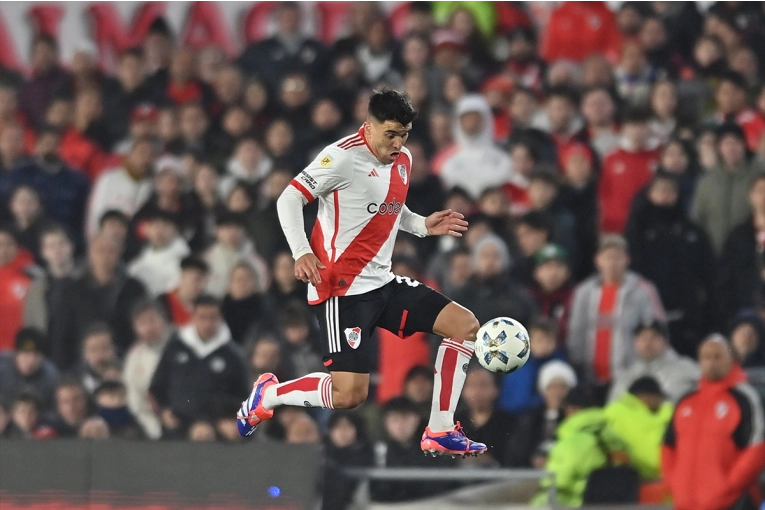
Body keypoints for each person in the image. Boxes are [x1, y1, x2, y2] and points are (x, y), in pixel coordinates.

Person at [237, 89, 488, 458]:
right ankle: (269, 394)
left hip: (383, 282)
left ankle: (440, 428)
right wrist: (301, 251)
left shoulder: (404, 158)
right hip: (343, 291)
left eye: (404, 134)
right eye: (391, 134)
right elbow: (288, 198)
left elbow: (387, 206)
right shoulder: (340, 158)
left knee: (465, 326)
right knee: (349, 396)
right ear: (369, 126)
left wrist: (421, 225)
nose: (399, 143)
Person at [662, 335, 765, 510]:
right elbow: (668, 446)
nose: (712, 362)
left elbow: (757, 448)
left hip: (732, 503)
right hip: (686, 503)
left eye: (718, 356)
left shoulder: (745, 398)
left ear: (731, 360)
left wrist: (729, 485)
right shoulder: (686, 400)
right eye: (706, 357)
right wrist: (676, 483)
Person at [625, 173, 716, 355]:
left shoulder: (692, 230)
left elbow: (707, 271)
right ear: (649, 193)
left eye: (670, 190)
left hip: (686, 314)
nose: (665, 194)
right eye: (660, 190)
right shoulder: (637, 229)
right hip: (647, 313)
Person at [567, 235, 666, 392]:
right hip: (589, 378)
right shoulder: (583, 292)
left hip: (630, 377)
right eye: (607, 257)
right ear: (597, 260)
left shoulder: (643, 290)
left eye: (617, 257)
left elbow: (657, 329)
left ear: (627, 260)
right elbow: (576, 331)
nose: (612, 263)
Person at [150, 296, 249, 438]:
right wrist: (163, 411)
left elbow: (245, 397)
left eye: (212, 318)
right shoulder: (175, 347)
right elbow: (156, 387)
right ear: (193, 318)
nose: (207, 324)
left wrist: (231, 420)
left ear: (221, 318)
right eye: (202, 318)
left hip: (219, 433)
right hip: (178, 430)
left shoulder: (233, 356)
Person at [50, 234, 146, 369]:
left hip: (125, 363)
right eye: (100, 251)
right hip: (82, 365)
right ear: (90, 254)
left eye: (110, 251)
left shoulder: (134, 288)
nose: (105, 257)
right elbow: (62, 335)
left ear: (119, 253)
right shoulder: (73, 291)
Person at [531, 388, 631, 507]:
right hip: (613, 504)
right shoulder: (614, 437)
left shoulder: (573, 442)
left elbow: (557, 481)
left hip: (576, 503)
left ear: (570, 409)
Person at [692, 123, 765, 254]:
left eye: (736, 143)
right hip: (714, 254)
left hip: (750, 254)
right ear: (719, 148)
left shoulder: (758, 176)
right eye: (726, 144)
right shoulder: (707, 182)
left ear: (744, 145)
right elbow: (698, 219)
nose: (731, 148)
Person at [370, 397, 453, 502]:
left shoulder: (437, 447)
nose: (400, 426)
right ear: (385, 423)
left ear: (417, 419)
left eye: (405, 419)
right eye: (394, 420)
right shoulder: (381, 452)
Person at [598, 107, 661, 234]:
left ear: (649, 128)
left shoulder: (659, 155)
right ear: (624, 129)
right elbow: (603, 192)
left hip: (650, 225)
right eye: (632, 126)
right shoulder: (611, 157)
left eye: (641, 126)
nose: (637, 131)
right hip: (616, 225)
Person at [439, 94, 512, 199]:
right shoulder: (449, 164)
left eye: (475, 117)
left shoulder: (502, 160)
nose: (471, 122)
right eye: (466, 118)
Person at [608, 321, 700, 404]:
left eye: (654, 337)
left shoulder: (686, 367)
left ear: (665, 342)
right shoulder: (627, 375)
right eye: (643, 338)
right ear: (635, 343)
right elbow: (613, 405)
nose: (648, 343)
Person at [507, 360, 576, 468]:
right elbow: (518, 449)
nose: (556, 392)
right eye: (552, 387)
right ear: (543, 390)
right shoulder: (529, 418)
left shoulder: (573, 418)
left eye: (562, 387)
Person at [604, 376, 673, 481]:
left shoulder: (611, 412)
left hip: (625, 478)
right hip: (642, 479)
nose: (661, 402)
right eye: (659, 398)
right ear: (646, 397)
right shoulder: (657, 415)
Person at [86, 136, 156, 237]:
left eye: (151, 155)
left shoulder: (151, 186)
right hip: (105, 239)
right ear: (130, 154)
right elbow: (95, 214)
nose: (145, 158)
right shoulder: (109, 178)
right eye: (141, 153)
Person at [123, 299, 171, 440]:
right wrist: (154, 428)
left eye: (152, 321)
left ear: (164, 321)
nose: (148, 328)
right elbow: (134, 399)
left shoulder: (180, 347)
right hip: (148, 426)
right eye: (142, 323)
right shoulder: (134, 356)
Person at [719, 174, 765, 320]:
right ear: (750, 196)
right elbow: (726, 278)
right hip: (744, 314)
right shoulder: (738, 236)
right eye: (760, 190)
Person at [498, 317, 566, 415]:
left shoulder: (562, 369)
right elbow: (508, 401)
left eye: (549, 340)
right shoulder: (518, 368)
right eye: (539, 340)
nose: (544, 345)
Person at [22, 224, 78, 335]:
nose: (57, 250)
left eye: (61, 243)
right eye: (51, 246)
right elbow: (30, 322)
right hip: (48, 348)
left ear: (71, 246)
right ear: (43, 252)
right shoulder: (36, 287)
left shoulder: (86, 280)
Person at [455, 368, 516, 466]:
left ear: (495, 390)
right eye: (472, 386)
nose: (477, 392)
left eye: (483, 385)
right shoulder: (453, 423)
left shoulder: (510, 423)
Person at [127, 209, 190, 297]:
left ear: (176, 230)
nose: (159, 230)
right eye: (155, 225)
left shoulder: (183, 260)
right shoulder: (142, 253)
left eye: (165, 225)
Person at [322, 411, 374, 510]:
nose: (342, 432)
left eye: (348, 427)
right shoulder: (321, 455)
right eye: (337, 427)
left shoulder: (367, 455)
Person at [0, 327, 59, 412]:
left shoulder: (51, 376)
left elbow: (53, 412)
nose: (31, 360)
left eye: (36, 355)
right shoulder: (2, 365)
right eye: (26, 354)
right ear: (16, 353)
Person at [527, 244, 574, 340]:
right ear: (536, 273)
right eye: (548, 267)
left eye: (559, 267)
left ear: (567, 272)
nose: (553, 273)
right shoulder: (528, 298)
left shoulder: (574, 298)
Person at [0, 226, 34, 352]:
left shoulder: (30, 277)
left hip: (20, 351)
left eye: (9, 244)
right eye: (0, 244)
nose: (3, 249)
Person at [157, 255, 209, 327]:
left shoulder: (206, 305)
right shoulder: (162, 302)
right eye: (197, 279)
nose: (201, 286)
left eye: (204, 282)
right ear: (182, 276)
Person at [70, 323, 118, 394]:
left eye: (105, 348)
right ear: (84, 354)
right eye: (94, 350)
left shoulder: (128, 374)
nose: (100, 356)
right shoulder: (74, 383)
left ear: (114, 349)